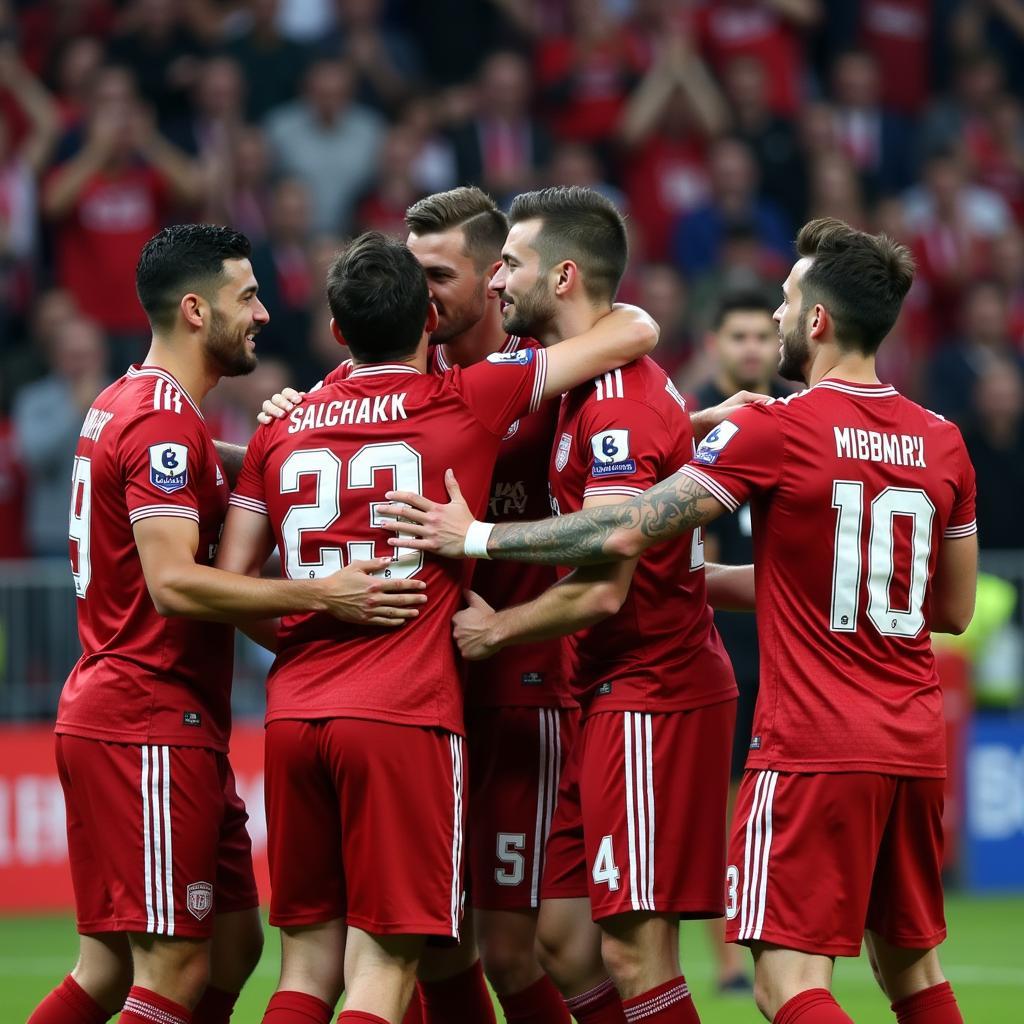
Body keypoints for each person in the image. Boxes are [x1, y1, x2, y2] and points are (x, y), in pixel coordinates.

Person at [382, 217, 978, 1024]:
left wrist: (477, 536)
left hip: (807, 741)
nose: (772, 316)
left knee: (782, 985)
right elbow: (951, 607)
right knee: (912, 968)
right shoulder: (943, 442)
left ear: (817, 322)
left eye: (784, 299)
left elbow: (625, 528)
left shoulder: (774, 426)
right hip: (911, 741)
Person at [215, 230, 661, 1024]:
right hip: (404, 714)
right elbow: (632, 330)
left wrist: (309, 617)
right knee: (386, 968)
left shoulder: (279, 430)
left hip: (291, 715)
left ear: (337, 330)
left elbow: (233, 581)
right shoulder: (468, 397)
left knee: (306, 968)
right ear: (429, 320)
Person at [28, 223, 427, 1024]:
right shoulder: (162, 426)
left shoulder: (136, 406)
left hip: (159, 716)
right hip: (143, 717)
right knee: (170, 966)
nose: (263, 314)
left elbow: (241, 468)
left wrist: (305, 428)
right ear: (195, 311)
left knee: (225, 947)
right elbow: (173, 583)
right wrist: (323, 595)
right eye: (246, 296)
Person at [406, 185, 740, 1024]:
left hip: (649, 689)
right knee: (561, 944)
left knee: (631, 951)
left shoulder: (615, 398)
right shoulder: (580, 389)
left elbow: (607, 568)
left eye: (508, 266)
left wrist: (487, 574)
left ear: (558, 277)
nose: (498, 284)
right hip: (604, 689)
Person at [693, 289, 791, 995]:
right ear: (715, 343)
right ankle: (728, 958)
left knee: (772, 798)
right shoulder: (692, 420)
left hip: (783, 639)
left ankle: (773, 942)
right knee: (722, 802)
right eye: (740, 336)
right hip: (721, 637)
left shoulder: (794, 415)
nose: (754, 348)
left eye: (764, 335)